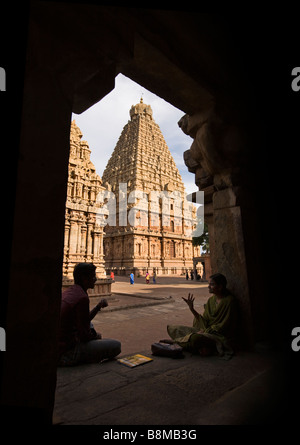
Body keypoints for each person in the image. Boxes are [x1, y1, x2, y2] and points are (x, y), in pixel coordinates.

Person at [58, 263, 121, 366]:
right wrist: (96, 336)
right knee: (116, 346)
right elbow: (84, 336)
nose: (95, 279)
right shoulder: (82, 297)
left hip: (59, 344)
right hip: (67, 351)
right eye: (93, 276)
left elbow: (84, 320)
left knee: (91, 326)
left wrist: (97, 307)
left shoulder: (70, 291)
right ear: (84, 279)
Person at [167, 273, 237, 359]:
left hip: (217, 335)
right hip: (206, 330)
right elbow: (204, 321)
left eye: (212, 284)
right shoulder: (211, 300)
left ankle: (177, 342)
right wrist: (192, 309)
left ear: (220, 286)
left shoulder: (229, 301)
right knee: (174, 328)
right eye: (209, 284)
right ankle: (199, 346)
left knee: (195, 338)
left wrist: (205, 332)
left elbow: (225, 325)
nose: (208, 287)